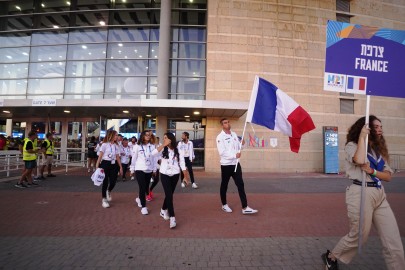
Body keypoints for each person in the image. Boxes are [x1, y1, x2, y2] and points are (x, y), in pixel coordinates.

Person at [322, 115, 405, 270]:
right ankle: (331, 257)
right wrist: (361, 137)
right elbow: (359, 160)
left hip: (379, 194)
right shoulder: (352, 145)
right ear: (366, 128)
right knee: (359, 236)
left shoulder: (378, 152)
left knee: (393, 240)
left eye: (381, 127)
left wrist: (373, 171)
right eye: (376, 127)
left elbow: (388, 176)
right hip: (360, 192)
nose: (380, 130)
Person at [216, 118, 258, 215]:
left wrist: (242, 144)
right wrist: (234, 155)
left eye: (228, 122)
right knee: (224, 185)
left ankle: (245, 207)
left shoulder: (234, 134)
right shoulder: (220, 137)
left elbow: (238, 148)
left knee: (240, 184)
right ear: (222, 125)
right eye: (225, 123)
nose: (227, 124)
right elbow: (222, 152)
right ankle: (224, 204)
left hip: (236, 164)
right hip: (226, 165)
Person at [152, 132, 189, 229]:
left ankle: (163, 209)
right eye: (163, 138)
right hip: (164, 174)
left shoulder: (178, 150)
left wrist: (185, 176)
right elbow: (153, 154)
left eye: (166, 138)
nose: (164, 139)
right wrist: (163, 145)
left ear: (171, 139)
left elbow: (182, 163)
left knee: (169, 195)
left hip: (175, 175)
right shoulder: (162, 148)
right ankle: (172, 218)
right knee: (169, 196)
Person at [130, 130, 156, 215]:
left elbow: (154, 158)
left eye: (149, 135)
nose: (148, 136)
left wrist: (154, 169)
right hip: (139, 169)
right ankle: (144, 207)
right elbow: (133, 158)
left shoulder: (152, 146)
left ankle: (139, 198)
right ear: (142, 136)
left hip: (149, 169)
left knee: (146, 188)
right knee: (142, 187)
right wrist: (132, 169)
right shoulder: (137, 146)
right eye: (146, 135)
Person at [95, 130, 123, 208]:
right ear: (111, 135)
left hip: (114, 165)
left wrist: (120, 167)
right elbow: (100, 156)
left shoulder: (116, 146)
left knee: (113, 181)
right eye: (116, 135)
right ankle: (104, 199)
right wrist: (97, 166)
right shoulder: (104, 145)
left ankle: (109, 190)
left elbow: (117, 157)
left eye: (117, 135)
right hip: (105, 164)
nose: (117, 137)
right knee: (105, 182)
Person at [147, 135, 161, 201]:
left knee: (156, 180)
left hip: (156, 166)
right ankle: (147, 195)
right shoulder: (149, 146)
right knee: (146, 182)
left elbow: (158, 156)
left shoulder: (158, 146)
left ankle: (150, 190)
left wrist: (160, 160)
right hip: (148, 166)